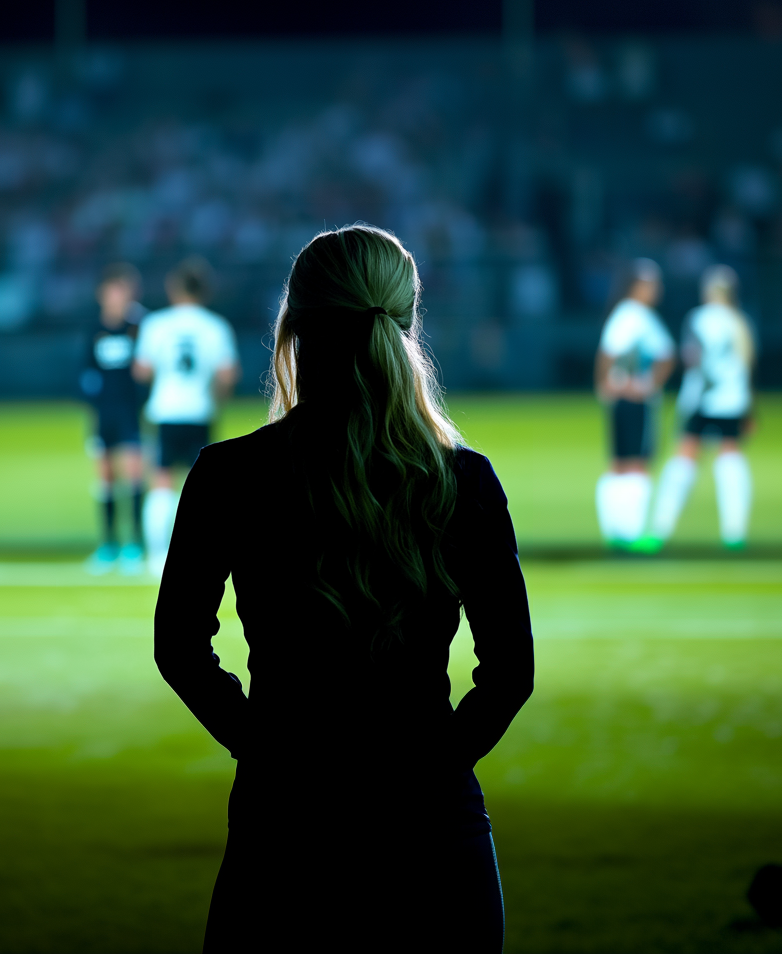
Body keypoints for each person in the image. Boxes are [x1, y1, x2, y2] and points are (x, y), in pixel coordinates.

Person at [154, 226, 534, 952]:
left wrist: (260, 743)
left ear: (292, 325)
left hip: (285, 817)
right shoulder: (465, 480)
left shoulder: (228, 475)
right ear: (403, 324)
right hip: (433, 824)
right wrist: (435, 764)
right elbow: (511, 672)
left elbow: (178, 645)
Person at [133, 257, 239, 576]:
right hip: (199, 411)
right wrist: (215, 398)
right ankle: (200, 555)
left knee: (162, 479)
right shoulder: (216, 326)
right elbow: (228, 374)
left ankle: (156, 556)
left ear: (174, 288)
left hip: (166, 410)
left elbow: (141, 369)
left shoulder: (156, 324)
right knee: (202, 488)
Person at [649, 265, 755, 549]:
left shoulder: (698, 318)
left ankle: (661, 529)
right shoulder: (740, 321)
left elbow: (691, 358)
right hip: (733, 400)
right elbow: (747, 366)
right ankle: (735, 533)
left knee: (684, 458)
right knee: (730, 457)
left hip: (701, 399)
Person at [594, 259, 675, 547]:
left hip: (620, 398)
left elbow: (606, 355)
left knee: (619, 461)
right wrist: (646, 384)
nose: (657, 290)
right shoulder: (637, 315)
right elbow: (667, 354)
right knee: (637, 461)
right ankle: (631, 531)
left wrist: (605, 385)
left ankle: (615, 529)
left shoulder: (623, 314)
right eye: (653, 284)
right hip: (635, 400)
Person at [80, 263, 148, 574]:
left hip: (130, 414)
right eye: (113, 293)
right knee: (105, 477)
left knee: (134, 475)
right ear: (102, 296)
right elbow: (83, 372)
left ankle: (135, 543)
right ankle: (108, 544)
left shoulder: (139, 327)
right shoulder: (94, 330)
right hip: (103, 415)